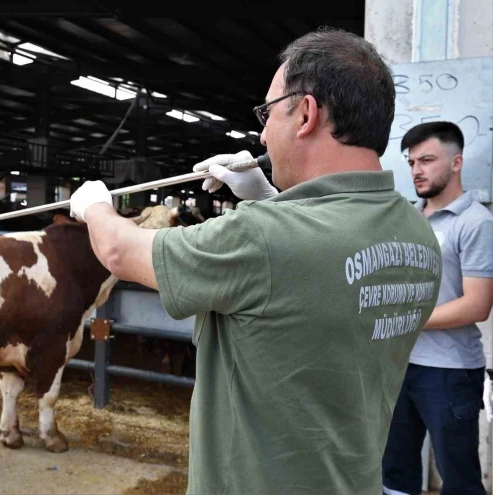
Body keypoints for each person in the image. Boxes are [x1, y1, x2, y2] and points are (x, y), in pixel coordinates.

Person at [69, 28, 442, 495]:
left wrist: (95, 206)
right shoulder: (416, 234)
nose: (263, 132)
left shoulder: (263, 239)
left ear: (306, 113)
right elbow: (315, 281)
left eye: (267, 112)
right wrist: (270, 198)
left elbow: (120, 251)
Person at [381, 122, 493, 495]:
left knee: (458, 477)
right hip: (399, 365)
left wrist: (401, 320)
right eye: (412, 161)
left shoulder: (476, 223)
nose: (416, 170)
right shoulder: (407, 218)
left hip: (450, 372)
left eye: (427, 160)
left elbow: (477, 305)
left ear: (456, 162)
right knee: (394, 470)